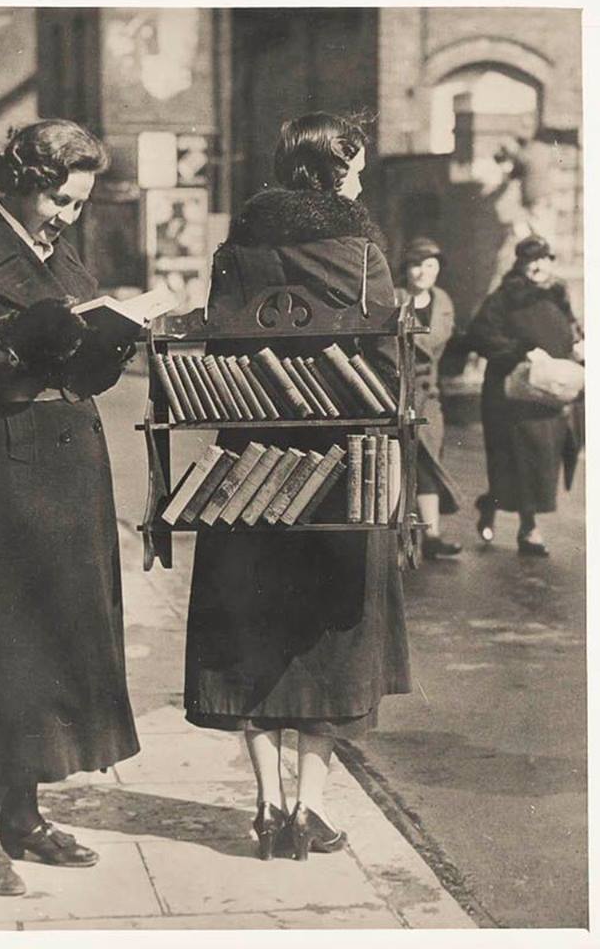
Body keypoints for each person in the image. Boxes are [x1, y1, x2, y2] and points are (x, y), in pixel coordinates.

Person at [0, 119, 140, 896]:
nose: (68, 216)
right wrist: (9, 339)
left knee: (64, 634)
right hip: (4, 471)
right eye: (59, 201)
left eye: (77, 204)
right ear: (18, 181)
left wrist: (108, 348)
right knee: (8, 642)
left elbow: (74, 360)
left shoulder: (63, 254)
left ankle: (22, 811)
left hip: (71, 464)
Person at [184, 112, 410, 861]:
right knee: (334, 641)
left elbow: (218, 343)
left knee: (251, 632)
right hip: (341, 468)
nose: (365, 176)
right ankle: (308, 811)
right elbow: (385, 367)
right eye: (359, 164)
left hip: (248, 470)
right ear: (337, 167)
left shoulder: (238, 246)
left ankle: (266, 806)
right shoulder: (362, 251)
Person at [467, 234, 582, 556]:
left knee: (543, 461)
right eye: (530, 260)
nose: (537, 266)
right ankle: (526, 527)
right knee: (517, 460)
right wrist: (519, 352)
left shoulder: (558, 293)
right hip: (511, 394)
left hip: (548, 393)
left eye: (543, 259)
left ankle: (508, 513)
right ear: (520, 263)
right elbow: (480, 334)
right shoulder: (504, 296)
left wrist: (578, 347)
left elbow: (572, 329)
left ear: (550, 262)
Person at [395, 237, 461, 560]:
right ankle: (408, 536)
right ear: (406, 268)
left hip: (429, 395)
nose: (423, 272)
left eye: (430, 266)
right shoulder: (395, 298)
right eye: (416, 265)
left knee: (430, 462)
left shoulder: (443, 301)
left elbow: (442, 345)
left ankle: (431, 534)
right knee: (405, 463)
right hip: (397, 392)